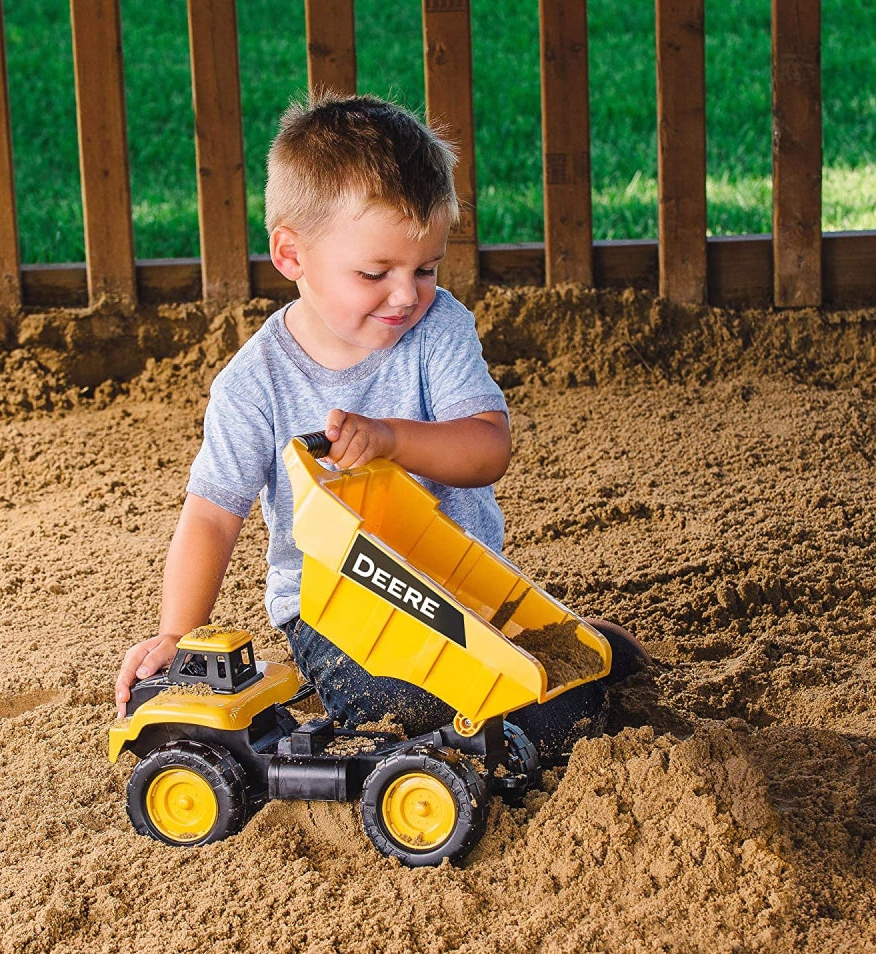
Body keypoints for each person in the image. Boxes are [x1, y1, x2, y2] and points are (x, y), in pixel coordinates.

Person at [115, 93, 646, 761]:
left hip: (462, 593)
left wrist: (392, 438)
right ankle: (535, 705)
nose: (406, 295)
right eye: (375, 272)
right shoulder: (255, 385)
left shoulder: (438, 329)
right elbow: (213, 514)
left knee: (562, 683)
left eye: (425, 268)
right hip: (340, 617)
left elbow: (486, 449)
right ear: (291, 255)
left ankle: (554, 677)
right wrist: (176, 636)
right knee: (430, 712)